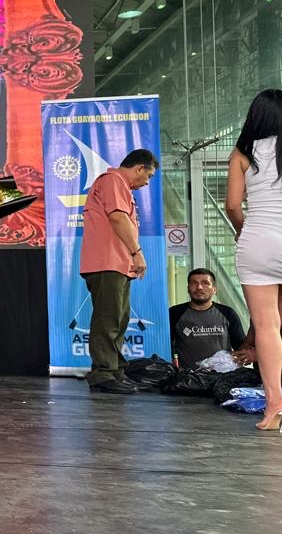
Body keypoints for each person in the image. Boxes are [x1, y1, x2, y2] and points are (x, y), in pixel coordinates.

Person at [225, 88, 282, 431]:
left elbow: (233, 205)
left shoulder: (242, 152)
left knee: (266, 326)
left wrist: (242, 230)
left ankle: (274, 404)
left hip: (259, 242)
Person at [78, 149, 159, 394]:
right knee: (108, 319)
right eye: (149, 176)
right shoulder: (113, 181)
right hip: (107, 263)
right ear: (139, 168)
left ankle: (115, 371)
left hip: (118, 264)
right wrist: (137, 252)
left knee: (119, 320)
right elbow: (117, 218)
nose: (147, 183)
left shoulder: (120, 185)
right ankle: (103, 373)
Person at [168, 268, 247, 370]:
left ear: (214, 289)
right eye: (194, 283)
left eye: (205, 283)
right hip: (188, 377)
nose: (199, 287)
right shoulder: (175, 313)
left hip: (223, 376)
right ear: (188, 289)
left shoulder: (228, 313)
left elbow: (241, 347)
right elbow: (166, 344)